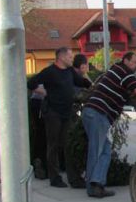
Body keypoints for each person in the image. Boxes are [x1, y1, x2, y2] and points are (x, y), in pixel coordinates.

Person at [82, 52, 136, 198]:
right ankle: (92, 186)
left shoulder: (114, 70)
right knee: (97, 150)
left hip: (93, 113)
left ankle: (97, 183)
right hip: (98, 113)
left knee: (105, 150)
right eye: (134, 62)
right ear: (125, 60)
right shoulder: (124, 72)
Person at [27, 47, 92, 188]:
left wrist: (93, 85)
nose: (71, 59)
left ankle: (74, 178)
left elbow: (81, 82)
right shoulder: (50, 72)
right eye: (69, 56)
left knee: (68, 144)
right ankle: (54, 178)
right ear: (61, 57)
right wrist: (44, 92)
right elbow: (31, 83)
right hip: (53, 113)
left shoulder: (69, 72)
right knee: (54, 146)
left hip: (67, 112)